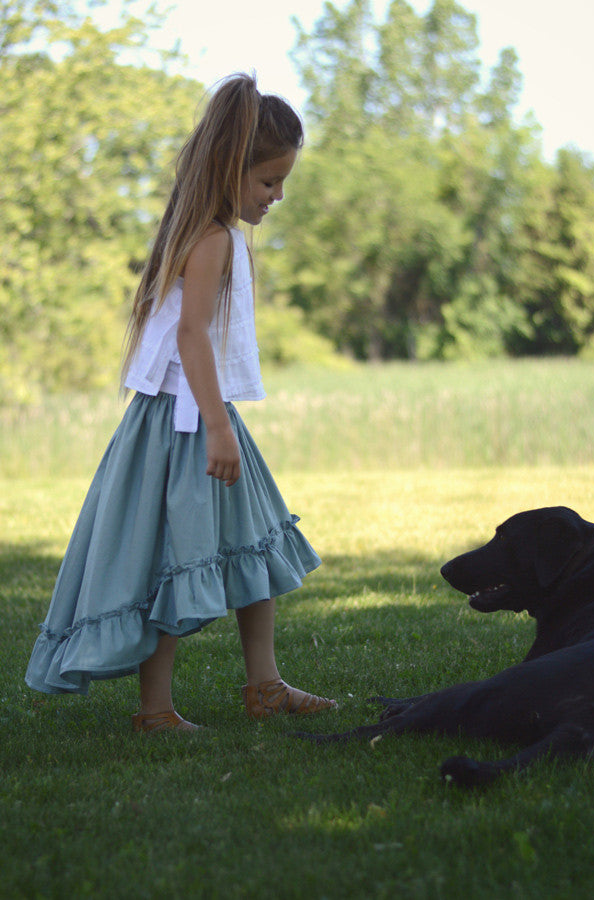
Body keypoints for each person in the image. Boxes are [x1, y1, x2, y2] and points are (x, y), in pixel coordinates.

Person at [25, 73, 337, 733]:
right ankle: (155, 710)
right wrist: (219, 428)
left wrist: (223, 422)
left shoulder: (217, 230)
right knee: (173, 557)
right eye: (269, 182)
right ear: (232, 169)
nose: (277, 196)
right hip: (186, 423)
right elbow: (191, 335)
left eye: (282, 183)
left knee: (255, 543)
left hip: (207, 414)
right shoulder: (213, 238)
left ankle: (266, 684)